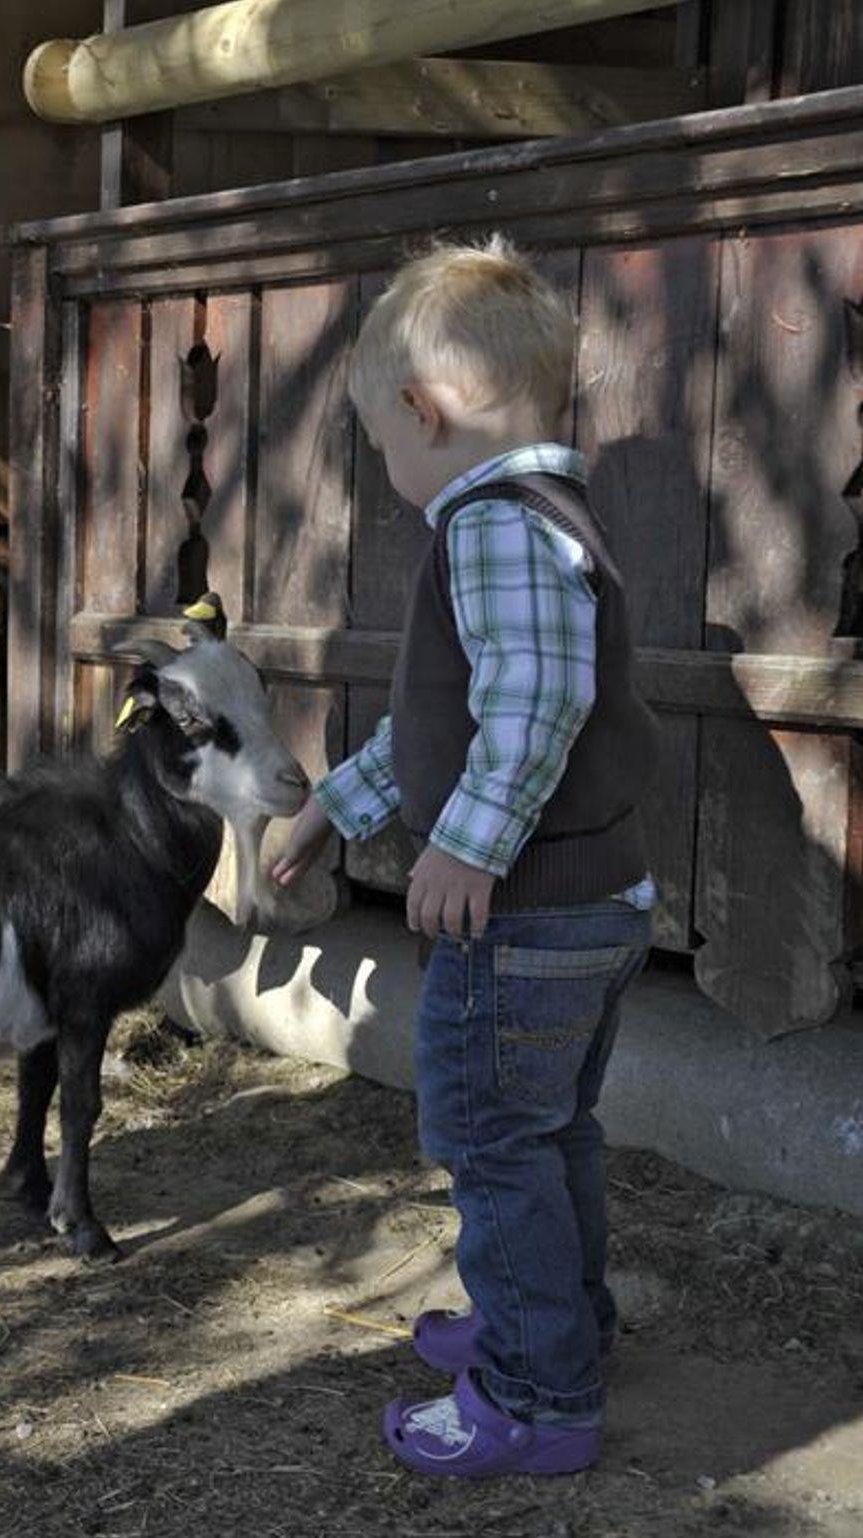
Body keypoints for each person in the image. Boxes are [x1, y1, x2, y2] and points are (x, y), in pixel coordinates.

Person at [272, 238, 658, 1478]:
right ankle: (557, 1328)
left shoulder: (488, 525)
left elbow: (535, 701)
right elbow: (443, 724)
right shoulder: (552, 519)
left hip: (526, 919)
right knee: (547, 1133)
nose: (389, 473)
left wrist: (466, 847)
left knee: (492, 1139)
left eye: (381, 444)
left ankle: (532, 1397)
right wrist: (333, 808)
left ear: (420, 409)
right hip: (591, 905)